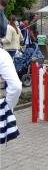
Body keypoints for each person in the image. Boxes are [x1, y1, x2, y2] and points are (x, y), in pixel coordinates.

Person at [0, 16, 22, 144]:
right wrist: (7, 109)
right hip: (11, 51)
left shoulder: (14, 28)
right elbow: (16, 87)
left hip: (12, 49)